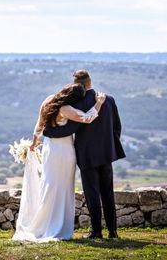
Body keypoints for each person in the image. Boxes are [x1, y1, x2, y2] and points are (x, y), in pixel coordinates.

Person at [12, 83, 106, 242]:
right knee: (62, 187)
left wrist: (34, 142)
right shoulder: (66, 109)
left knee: (50, 184)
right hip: (64, 151)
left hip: (50, 149)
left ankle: (43, 223)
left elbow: (39, 125)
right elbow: (86, 118)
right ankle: (57, 225)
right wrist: (99, 102)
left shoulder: (48, 100)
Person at [43, 69, 125, 239]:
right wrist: (109, 146)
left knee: (92, 193)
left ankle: (96, 231)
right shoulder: (109, 100)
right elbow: (117, 127)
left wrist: (48, 132)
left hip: (87, 155)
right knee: (108, 192)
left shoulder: (77, 104)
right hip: (106, 153)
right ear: (90, 81)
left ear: (76, 84)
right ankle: (113, 231)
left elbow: (70, 129)